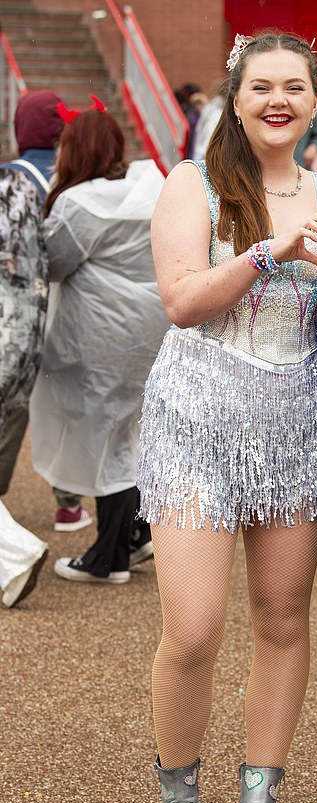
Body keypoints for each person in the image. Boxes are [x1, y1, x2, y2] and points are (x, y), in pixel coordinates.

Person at [136, 31, 317, 803]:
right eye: (262, 86)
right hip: (196, 421)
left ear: (314, 96)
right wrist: (269, 250)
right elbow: (183, 302)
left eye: (294, 86)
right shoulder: (194, 183)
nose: (278, 100)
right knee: (192, 629)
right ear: (235, 93)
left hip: (294, 424)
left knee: (284, 619)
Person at [29, 100, 167, 584]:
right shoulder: (154, 187)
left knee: (106, 437)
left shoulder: (77, 203)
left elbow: (52, 263)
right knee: (132, 431)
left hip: (100, 334)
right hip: (153, 328)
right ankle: (138, 532)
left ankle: (107, 559)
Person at [0, 90, 93, 530]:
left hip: (14, 315)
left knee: (12, 408)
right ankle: (69, 502)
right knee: (63, 407)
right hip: (68, 309)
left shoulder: (9, 179)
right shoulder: (76, 177)